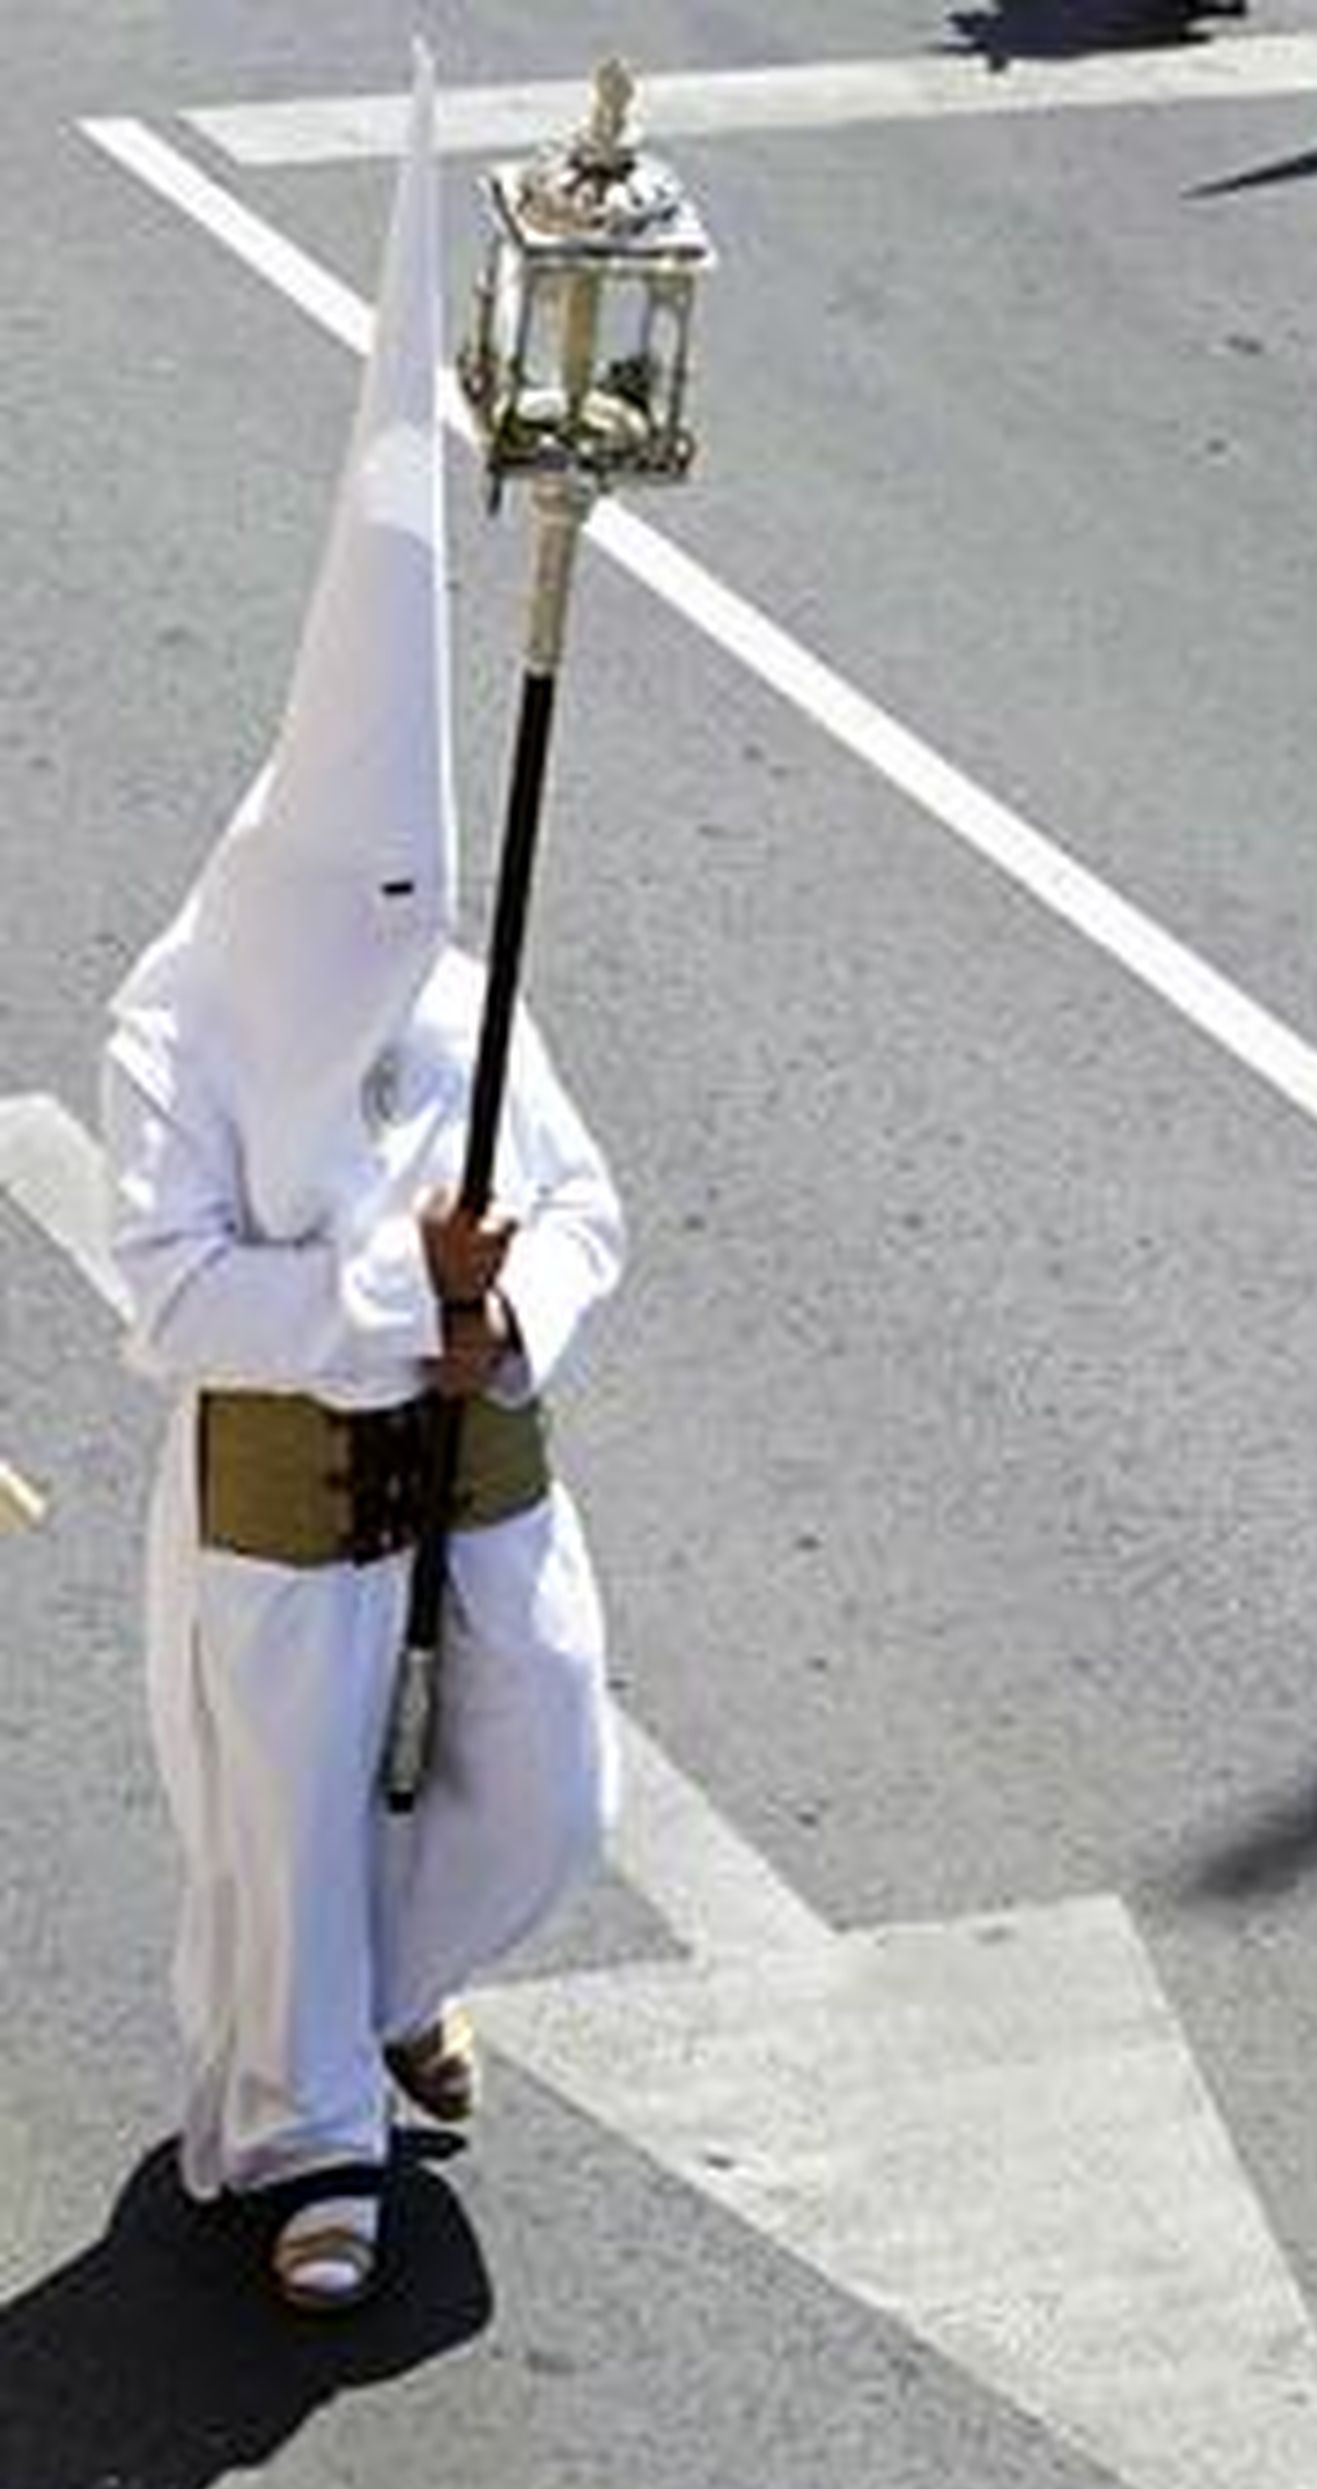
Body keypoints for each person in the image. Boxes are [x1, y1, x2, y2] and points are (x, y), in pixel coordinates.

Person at [101, 51, 622, 2313]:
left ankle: (399, 1984)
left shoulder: (450, 992)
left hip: (475, 1469)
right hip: (290, 1509)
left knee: (549, 1768)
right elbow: (171, 1295)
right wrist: (392, 1295)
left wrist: (509, 1308)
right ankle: (322, 2136)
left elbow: (585, 1206)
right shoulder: (181, 1028)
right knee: (292, 1825)